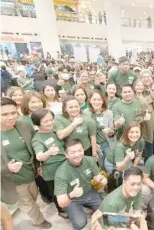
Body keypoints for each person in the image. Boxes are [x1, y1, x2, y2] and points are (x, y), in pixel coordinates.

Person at [1, 97, 52, 229]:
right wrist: (7, 168)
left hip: (30, 173)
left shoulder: (23, 125)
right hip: (12, 179)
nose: (10, 117)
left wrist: (38, 165)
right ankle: (39, 221)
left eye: (13, 113)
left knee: (33, 196)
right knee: (27, 202)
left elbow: (34, 146)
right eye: (4, 114)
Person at [55, 138, 107, 230]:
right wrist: (71, 195)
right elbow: (61, 203)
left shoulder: (90, 160)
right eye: (73, 152)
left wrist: (102, 179)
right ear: (66, 154)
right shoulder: (61, 172)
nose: (77, 154)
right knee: (80, 224)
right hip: (72, 200)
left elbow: (97, 177)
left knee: (105, 211)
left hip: (89, 192)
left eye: (80, 150)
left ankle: (88, 207)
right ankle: (74, 212)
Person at [31, 109, 67, 218]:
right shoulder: (37, 139)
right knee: (56, 192)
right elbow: (39, 155)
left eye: (51, 120)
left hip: (65, 166)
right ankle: (61, 210)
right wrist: (49, 153)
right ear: (38, 123)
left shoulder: (55, 131)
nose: (50, 123)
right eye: (45, 121)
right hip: (52, 171)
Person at [84, 90, 114, 168]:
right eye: (94, 99)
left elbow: (112, 130)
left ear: (103, 101)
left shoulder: (109, 113)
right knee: (97, 166)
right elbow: (85, 131)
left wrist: (110, 131)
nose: (96, 102)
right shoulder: (85, 113)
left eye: (99, 99)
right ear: (90, 100)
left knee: (109, 165)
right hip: (92, 145)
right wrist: (93, 144)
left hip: (106, 143)